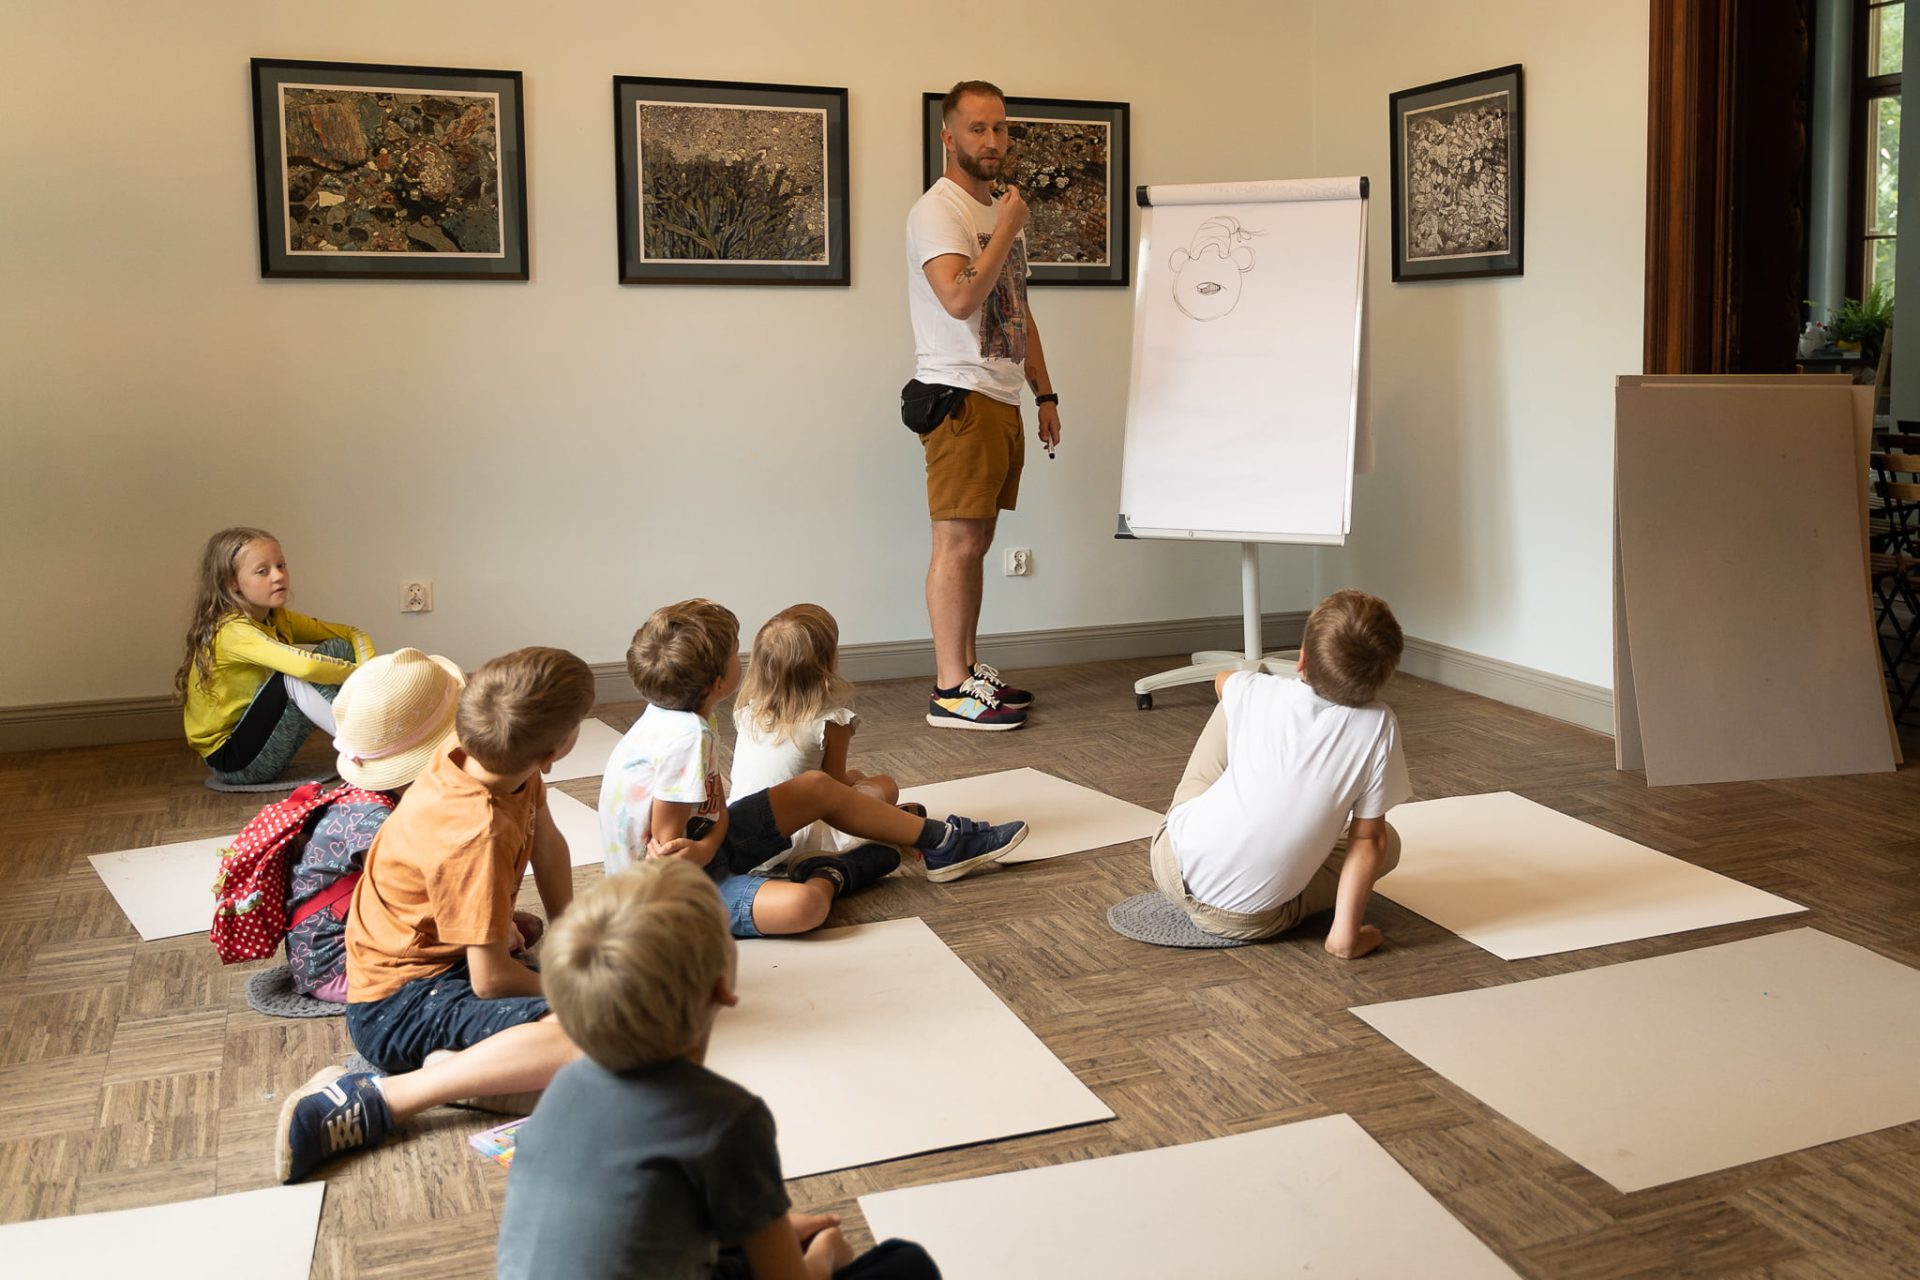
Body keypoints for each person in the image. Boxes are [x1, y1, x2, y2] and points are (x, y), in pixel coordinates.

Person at [496, 859, 942, 1280]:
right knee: (906, 1264)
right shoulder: (726, 1119)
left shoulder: (567, 1083)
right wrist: (824, 1256)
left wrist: (754, 1229)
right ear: (722, 987)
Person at [275, 647, 595, 1183]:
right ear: (552, 753)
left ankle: (469, 1071)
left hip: (446, 969)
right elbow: (491, 980)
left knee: (618, 1046)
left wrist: (574, 946)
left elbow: (547, 842)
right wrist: (583, 989)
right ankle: (385, 1097)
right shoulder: (474, 831)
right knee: (596, 1033)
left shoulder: (493, 756)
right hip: (396, 1006)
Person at [600, 599, 1029, 940]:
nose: (741, 657)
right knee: (804, 907)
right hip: (673, 893)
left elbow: (709, 817)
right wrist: (711, 844)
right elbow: (670, 854)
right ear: (717, 682)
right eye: (735, 651)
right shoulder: (687, 739)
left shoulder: (676, 717)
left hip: (705, 850)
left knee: (816, 786)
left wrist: (713, 837)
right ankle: (835, 872)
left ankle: (942, 842)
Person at [905, 79, 1063, 731]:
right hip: (959, 395)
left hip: (999, 395)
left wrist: (1044, 392)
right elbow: (959, 299)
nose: (992, 140)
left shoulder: (997, 210)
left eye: (1000, 127)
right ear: (949, 137)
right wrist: (1007, 229)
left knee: (979, 540)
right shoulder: (938, 211)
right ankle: (950, 690)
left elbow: (1016, 307)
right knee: (957, 542)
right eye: (977, 128)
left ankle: (968, 671)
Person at [1151, 591, 1412, 956]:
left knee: (1233, 699)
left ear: (1301, 661)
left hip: (1169, 864)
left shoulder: (1258, 688)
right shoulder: (1378, 726)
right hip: (1252, 919)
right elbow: (1368, 840)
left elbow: (1222, 679)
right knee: (1384, 842)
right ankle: (1342, 934)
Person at [284, 647, 466, 1001]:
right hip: (340, 964)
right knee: (481, 961)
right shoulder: (374, 823)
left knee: (508, 933)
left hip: (359, 936)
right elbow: (408, 908)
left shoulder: (378, 796)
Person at [177, 527, 375, 786]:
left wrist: (369, 669)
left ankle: (373, 729)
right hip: (234, 760)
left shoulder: (277, 617)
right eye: (263, 571)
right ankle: (365, 746)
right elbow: (305, 668)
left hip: (264, 743)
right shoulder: (231, 631)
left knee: (338, 647)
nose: (278, 576)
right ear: (231, 582)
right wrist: (362, 673)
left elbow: (351, 633)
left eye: (281, 565)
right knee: (291, 678)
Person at [731, 603, 916, 872]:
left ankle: (884, 820)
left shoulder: (748, 713)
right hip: (800, 837)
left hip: (745, 830)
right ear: (826, 663)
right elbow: (834, 790)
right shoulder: (829, 722)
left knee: (857, 776)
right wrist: (859, 783)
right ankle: (881, 826)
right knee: (885, 785)